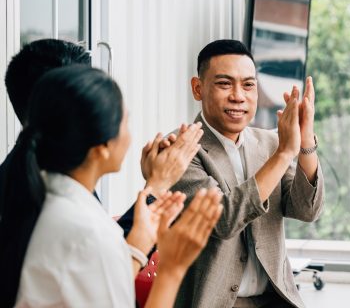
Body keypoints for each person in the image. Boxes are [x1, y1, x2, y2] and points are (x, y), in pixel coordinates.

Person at [0, 65, 222, 308]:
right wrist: (172, 270)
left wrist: (137, 248)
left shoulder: (36, 194)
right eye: (125, 122)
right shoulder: (89, 232)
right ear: (102, 147)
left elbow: (86, 281)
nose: (129, 134)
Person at [168, 40, 343, 308]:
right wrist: (284, 154)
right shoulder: (181, 148)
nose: (238, 96)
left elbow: (307, 209)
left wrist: (305, 142)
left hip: (273, 302)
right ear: (198, 88)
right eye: (224, 84)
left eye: (248, 85)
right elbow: (223, 220)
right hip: (217, 306)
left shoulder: (270, 144)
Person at [0, 38, 203, 231]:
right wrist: (157, 185)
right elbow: (113, 260)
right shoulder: (42, 193)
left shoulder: (43, 170)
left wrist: (155, 184)